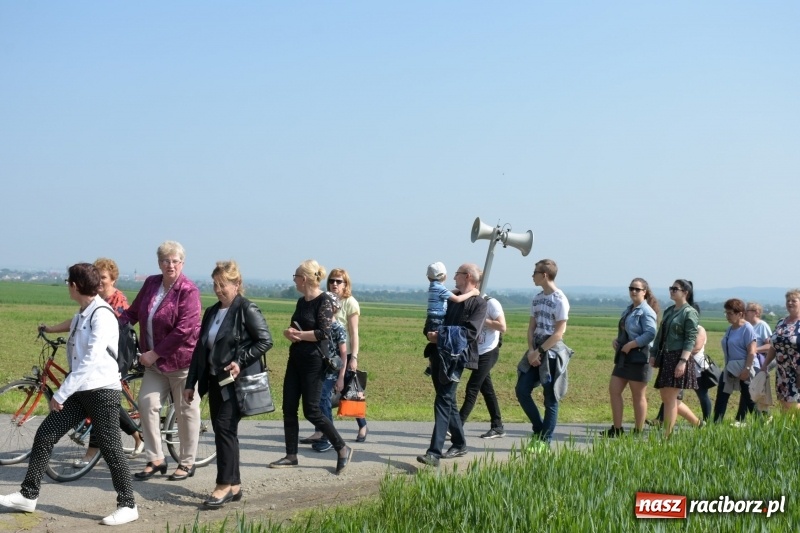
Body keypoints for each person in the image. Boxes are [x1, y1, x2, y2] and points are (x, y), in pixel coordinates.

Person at [0, 263, 138, 525]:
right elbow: (73, 327)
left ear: (75, 286)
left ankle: (128, 504)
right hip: (82, 390)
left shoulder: (102, 314)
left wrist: (61, 393)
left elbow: (89, 361)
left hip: (101, 391)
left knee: (110, 448)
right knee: (46, 433)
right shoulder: (84, 312)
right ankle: (28, 495)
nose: (67, 286)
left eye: (68, 282)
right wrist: (50, 330)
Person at [38, 258, 145, 466]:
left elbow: (114, 332)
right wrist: (51, 329)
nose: (101, 281)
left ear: (113, 279)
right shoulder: (90, 301)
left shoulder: (116, 301)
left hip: (115, 356)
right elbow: (75, 322)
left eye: (104, 277)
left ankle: (112, 444)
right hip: (97, 357)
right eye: (98, 277)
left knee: (101, 402)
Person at [184, 261, 273, 508]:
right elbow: (200, 350)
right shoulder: (212, 312)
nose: (218, 289)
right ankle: (234, 485)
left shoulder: (247, 309)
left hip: (234, 382)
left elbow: (265, 341)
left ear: (237, 284)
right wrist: (191, 383)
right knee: (225, 430)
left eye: (223, 284)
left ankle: (223, 485)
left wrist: (239, 361)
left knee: (223, 428)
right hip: (214, 380)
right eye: (215, 284)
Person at [119, 241, 202, 481]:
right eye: (166, 260)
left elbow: (185, 329)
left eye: (175, 261)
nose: (170, 265)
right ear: (159, 263)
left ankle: (187, 463)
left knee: (186, 412)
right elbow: (133, 312)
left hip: (182, 363)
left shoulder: (188, 290)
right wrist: (111, 326)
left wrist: (155, 353)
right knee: (147, 404)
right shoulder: (151, 283)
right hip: (154, 364)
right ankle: (155, 458)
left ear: (182, 263)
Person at [269, 260, 353, 474]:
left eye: (295, 276)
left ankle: (342, 447)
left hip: (314, 362)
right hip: (295, 358)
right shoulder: (301, 302)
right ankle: (291, 455)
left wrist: (300, 335)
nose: (294, 280)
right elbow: (296, 325)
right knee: (288, 407)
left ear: (304, 279)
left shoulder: (324, 301)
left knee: (312, 410)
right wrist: (290, 333)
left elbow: (323, 333)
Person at [417, 263, 486, 467]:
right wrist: (429, 333)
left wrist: (441, 337)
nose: (453, 277)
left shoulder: (480, 304)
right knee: (449, 402)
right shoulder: (451, 297)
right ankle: (459, 442)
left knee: (443, 399)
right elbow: (434, 318)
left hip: (457, 358)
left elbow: (470, 333)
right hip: (438, 355)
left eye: (456, 274)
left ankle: (434, 453)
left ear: (466, 276)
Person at [515, 259, 573, 451]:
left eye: (535, 272)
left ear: (545, 275)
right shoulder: (537, 298)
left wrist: (539, 352)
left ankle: (544, 441)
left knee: (550, 397)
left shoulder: (560, 299)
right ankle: (539, 429)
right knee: (522, 389)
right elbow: (532, 327)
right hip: (536, 349)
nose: (533, 275)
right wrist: (532, 351)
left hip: (552, 351)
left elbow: (558, 333)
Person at [605, 278, 658, 436]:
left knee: (638, 395)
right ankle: (617, 428)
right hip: (625, 356)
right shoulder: (629, 310)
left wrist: (632, 344)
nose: (633, 291)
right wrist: (618, 340)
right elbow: (626, 330)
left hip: (640, 358)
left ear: (644, 292)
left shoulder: (646, 311)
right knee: (614, 390)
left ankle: (638, 430)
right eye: (631, 288)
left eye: (637, 289)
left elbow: (650, 333)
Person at [650, 279, 699, 438]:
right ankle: (698, 424)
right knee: (666, 396)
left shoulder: (689, 312)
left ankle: (667, 436)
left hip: (679, 356)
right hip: (667, 355)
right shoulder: (670, 310)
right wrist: (653, 354)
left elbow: (690, 339)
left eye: (675, 289)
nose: (671, 291)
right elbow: (660, 335)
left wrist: (683, 362)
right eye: (671, 288)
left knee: (670, 398)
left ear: (685, 292)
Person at [458, 289, 507, 439]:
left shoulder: (491, 303)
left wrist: (480, 319)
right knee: (487, 389)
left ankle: (457, 425)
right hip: (476, 352)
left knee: (472, 387)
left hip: (489, 351)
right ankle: (497, 426)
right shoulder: (471, 303)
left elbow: (502, 327)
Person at [328, 268, 368, 442]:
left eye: (339, 281)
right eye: (332, 281)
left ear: (346, 284)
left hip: (347, 351)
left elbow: (354, 333)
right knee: (324, 392)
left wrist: (354, 357)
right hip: (329, 352)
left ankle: (362, 425)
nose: (334, 284)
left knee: (349, 390)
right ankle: (323, 431)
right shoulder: (326, 300)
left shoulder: (350, 302)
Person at [306, 292, 348, 453]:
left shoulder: (338, 328)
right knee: (318, 402)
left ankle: (328, 438)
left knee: (324, 402)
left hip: (331, 372)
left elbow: (343, 353)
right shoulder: (321, 326)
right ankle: (324, 434)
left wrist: (341, 377)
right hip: (318, 370)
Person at [424, 262, 480, 375]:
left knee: (435, 341)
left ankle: (432, 365)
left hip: (432, 318)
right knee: (439, 342)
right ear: (445, 276)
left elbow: (449, 293)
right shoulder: (440, 288)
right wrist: (472, 293)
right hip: (437, 319)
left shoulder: (434, 287)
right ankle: (433, 366)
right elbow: (457, 299)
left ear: (428, 277)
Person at [713, 298, 758, 424]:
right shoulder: (730, 329)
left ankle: (761, 424)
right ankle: (716, 425)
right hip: (730, 368)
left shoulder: (747, 329)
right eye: (726, 313)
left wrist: (747, 369)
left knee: (749, 399)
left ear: (740, 314)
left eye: (730, 313)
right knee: (722, 396)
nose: (727, 316)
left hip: (743, 368)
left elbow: (751, 351)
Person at [759, 289, 800, 411]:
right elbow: (773, 346)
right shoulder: (781, 322)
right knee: (783, 403)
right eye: (788, 301)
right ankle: (788, 430)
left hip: (797, 371)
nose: (790, 303)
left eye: (794, 300)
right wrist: (765, 364)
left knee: (794, 405)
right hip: (782, 371)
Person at [746, 302, 773, 369]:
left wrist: (754, 350)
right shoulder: (746, 325)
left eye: (747, 311)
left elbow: (770, 346)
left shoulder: (762, 326)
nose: (745, 313)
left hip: (757, 361)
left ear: (756, 312)